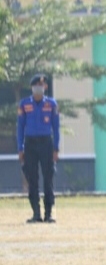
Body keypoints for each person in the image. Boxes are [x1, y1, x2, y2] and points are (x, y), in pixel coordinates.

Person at [17, 74, 60, 223]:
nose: (38, 88)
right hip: (30, 144)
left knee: (48, 179)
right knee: (32, 179)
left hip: (46, 143)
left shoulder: (51, 104)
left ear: (45, 87)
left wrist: (56, 148)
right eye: (36, 85)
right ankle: (36, 213)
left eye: (41, 85)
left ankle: (48, 214)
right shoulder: (24, 104)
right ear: (31, 87)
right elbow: (20, 128)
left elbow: (56, 127)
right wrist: (20, 148)